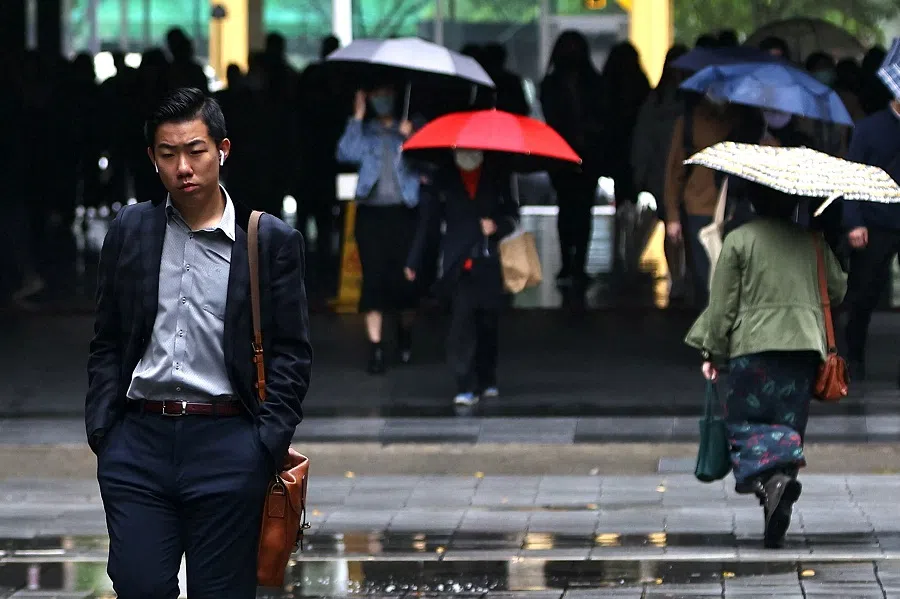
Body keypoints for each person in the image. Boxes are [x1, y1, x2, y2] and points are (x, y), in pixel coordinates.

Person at [85, 88, 312, 598]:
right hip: (137, 442)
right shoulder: (131, 230)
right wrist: (104, 429)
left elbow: (293, 354)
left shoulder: (268, 241)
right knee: (140, 584)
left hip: (229, 441)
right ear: (153, 159)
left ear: (222, 150)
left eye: (196, 151)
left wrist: (264, 444)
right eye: (169, 155)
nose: (183, 167)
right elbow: (108, 338)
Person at [685, 181, 846, 549]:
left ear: (754, 202)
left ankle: (772, 485)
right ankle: (776, 492)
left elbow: (723, 303)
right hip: (804, 348)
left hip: (753, 348)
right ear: (794, 203)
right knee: (788, 424)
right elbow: (837, 290)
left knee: (744, 423)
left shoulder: (740, 240)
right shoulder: (812, 241)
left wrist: (711, 351)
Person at [405, 151, 519, 406]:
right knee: (461, 324)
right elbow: (429, 222)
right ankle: (465, 384)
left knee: (487, 323)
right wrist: (414, 260)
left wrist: (497, 225)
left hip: (488, 261)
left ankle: (487, 377)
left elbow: (512, 214)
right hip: (458, 263)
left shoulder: (497, 175)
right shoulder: (443, 178)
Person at [337, 83, 422, 374]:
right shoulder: (366, 131)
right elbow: (345, 153)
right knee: (373, 279)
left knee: (406, 281)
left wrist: (413, 139)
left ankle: (405, 334)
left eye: (385, 92)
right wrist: (357, 117)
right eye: (375, 94)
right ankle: (375, 349)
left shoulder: (409, 128)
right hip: (371, 216)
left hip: (405, 213)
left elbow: (430, 165)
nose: (381, 98)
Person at [842, 98, 900, 383]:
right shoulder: (869, 128)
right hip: (876, 222)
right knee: (863, 294)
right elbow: (852, 175)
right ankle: (854, 357)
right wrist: (854, 221)